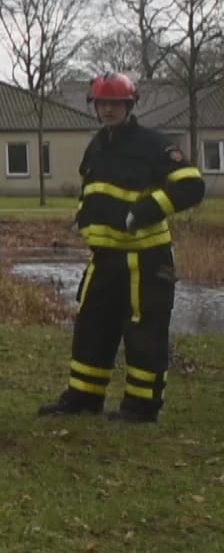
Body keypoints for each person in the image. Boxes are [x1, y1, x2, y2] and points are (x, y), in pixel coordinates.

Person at [39, 72, 205, 423]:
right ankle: (84, 397)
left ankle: (141, 407)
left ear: (130, 106)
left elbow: (191, 185)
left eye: (115, 104)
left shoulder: (153, 144)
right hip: (104, 258)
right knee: (92, 327)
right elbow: (93, 188)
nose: (108, 110)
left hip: (144, 259)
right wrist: (82, 216)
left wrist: (141, 213)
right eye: (102, 103)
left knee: (144, 331)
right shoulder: (97, 144)